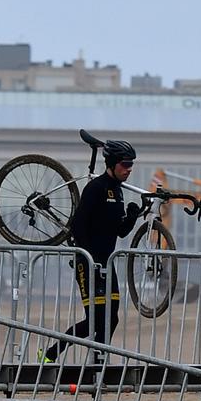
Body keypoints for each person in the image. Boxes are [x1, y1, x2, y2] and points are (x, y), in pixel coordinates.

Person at [40, 137, 146, 363]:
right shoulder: (95, 188)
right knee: (96, 320)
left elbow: (120, 231)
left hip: (107, 262)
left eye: (131, 165)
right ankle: (49, 354)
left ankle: (98, 360)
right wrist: (88, 258)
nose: (129, 169)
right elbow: (78, 225)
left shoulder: (117, 191)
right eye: (125, 165)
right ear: (112, 163)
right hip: (88, 262)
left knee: (112, 319)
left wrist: (134, 216)